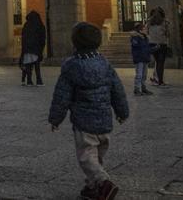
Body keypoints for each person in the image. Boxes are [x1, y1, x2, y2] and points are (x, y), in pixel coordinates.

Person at [48, 22, 130, 200]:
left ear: (75, 43)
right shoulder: (104, 63)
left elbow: (62, 96)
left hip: (84, 123)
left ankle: (103, 183)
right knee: (97, 157)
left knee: (86, 158)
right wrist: (122, 112)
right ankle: (92, 187)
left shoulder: (71, 66)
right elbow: (118, 89)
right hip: (104, 122)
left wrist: (55, 119)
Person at [146, 8, 171, 87]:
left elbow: (147, 32)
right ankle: (160, 81)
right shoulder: (164, 22)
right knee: (161, 63)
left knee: (157, 62)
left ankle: (158, 80)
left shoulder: (149, 22)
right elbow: (167, 33)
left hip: (152, 44)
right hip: (162, 44)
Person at [20, 10, 46, 87]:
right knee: (37, 66)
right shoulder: (40, 25)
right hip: (36, 49)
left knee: (28, 65)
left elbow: (23, 38)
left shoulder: (26, 25)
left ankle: (29, 80)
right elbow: (43, 38)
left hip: (27, 49)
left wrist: (23, 50)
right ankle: (39, 80)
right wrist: (41, 49)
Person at [129, 22, 153, 96]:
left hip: (145, 58)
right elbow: (135, 45)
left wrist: (154, 48)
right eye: (144, 29)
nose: (146, 30)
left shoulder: (145, 38)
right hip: (139, 58)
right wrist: (135, 37)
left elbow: (147, 48)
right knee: (139, 75)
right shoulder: (136, 37)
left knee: (144, 75)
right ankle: (137, 89)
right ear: (140, 30)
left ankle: (143, 88)